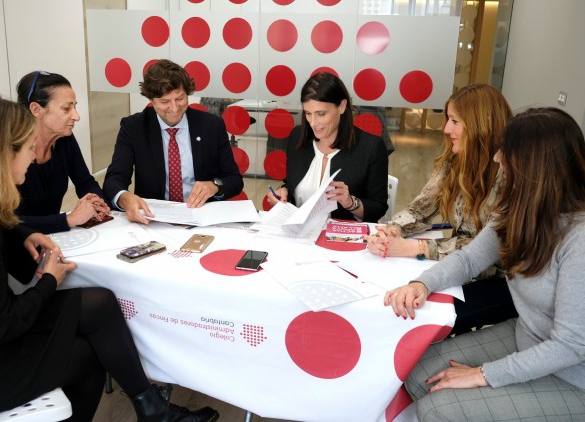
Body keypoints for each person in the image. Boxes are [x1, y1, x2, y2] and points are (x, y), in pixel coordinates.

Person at [0, 94, 219, 422]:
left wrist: (21, 233)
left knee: (99, 303)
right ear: (2, 154)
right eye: (29, 148)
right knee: (90, 356)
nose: (33, 156)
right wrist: (49, 281)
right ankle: (153, 410)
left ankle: (152, 410)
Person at [385, 107, 585, 421]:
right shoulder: (517, 210)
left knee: (437, 410)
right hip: (527, 336)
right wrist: (423, 283)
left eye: (506, 151)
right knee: (416, 370)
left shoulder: (578, 239)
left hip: (573, 375)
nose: (496, 158)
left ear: (533, 167)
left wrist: (484, 374)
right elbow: (469, 259)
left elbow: (570, 346)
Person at [366, 83, 517, 334]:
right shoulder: (455, 160)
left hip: (500, 281)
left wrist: (417, 248)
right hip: (460, 266)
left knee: (419, 315)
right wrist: (392, 231)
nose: (446, 129)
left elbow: (489, 251)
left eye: (454, 121)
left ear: (481, 124)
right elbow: (420, 209)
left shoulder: (510, 175)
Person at [103, 59, 243, 224]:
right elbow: (114, 179)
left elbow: (234, 180)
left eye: (180, 98)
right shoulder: (134, 127)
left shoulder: (211, 125)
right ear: (152, 100)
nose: (174, 108)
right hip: (153, 220)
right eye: (165, 102)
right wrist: (124, 197)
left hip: (201, 217)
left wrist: (214, 186)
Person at [267, 72, 388, 222]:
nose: (313, 122)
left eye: (321, 114)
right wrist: (283, 191)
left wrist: (350, 202)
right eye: (308, 113)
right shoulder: (298, 137)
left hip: (342, 234)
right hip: (300, 232)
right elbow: (292, 183)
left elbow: (378, 208)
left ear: (342, 106)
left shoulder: (371, 147)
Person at [15, 71, 110, 234]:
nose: (76, 116)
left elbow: (85, 182)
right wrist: (69, 219)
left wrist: (97, 201)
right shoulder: (10, 152)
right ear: (36, 109)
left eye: (75, 107)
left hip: (54, 237)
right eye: (66, 108)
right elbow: (9, 222)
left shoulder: (64, 138)